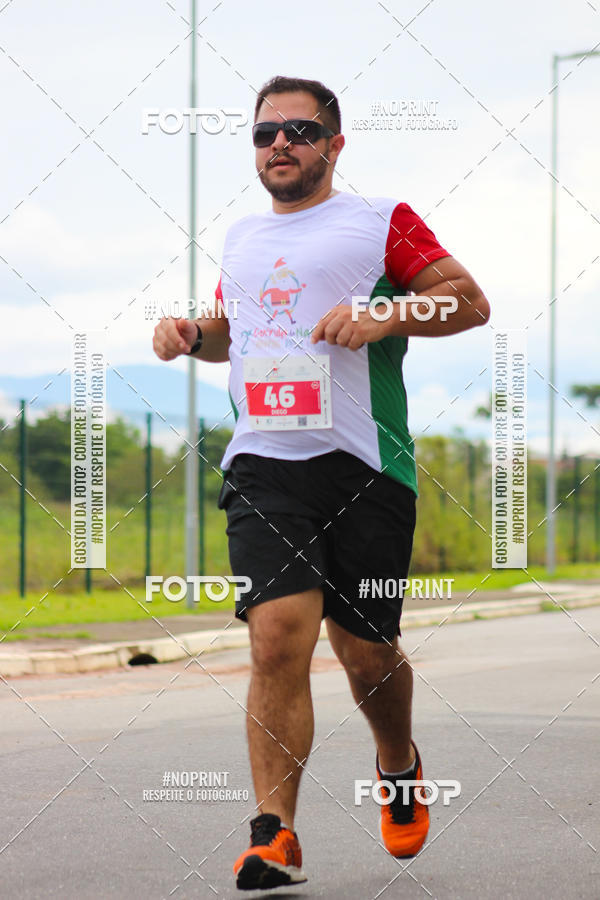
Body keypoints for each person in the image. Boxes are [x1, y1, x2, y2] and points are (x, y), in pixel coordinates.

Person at [153, 74, 490, 892]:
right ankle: (273, 834)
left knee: (365, 651)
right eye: (265, 134)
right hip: (265, 462)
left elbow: (467, 302)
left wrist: (387, 314)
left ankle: (397, 762)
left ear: (334, 145)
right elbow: (237, 336)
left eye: (299, 132)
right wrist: (194, 331)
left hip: (367, 465)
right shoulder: (239, 238)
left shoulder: (381, 222)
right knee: (275, 637)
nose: (279, 145)